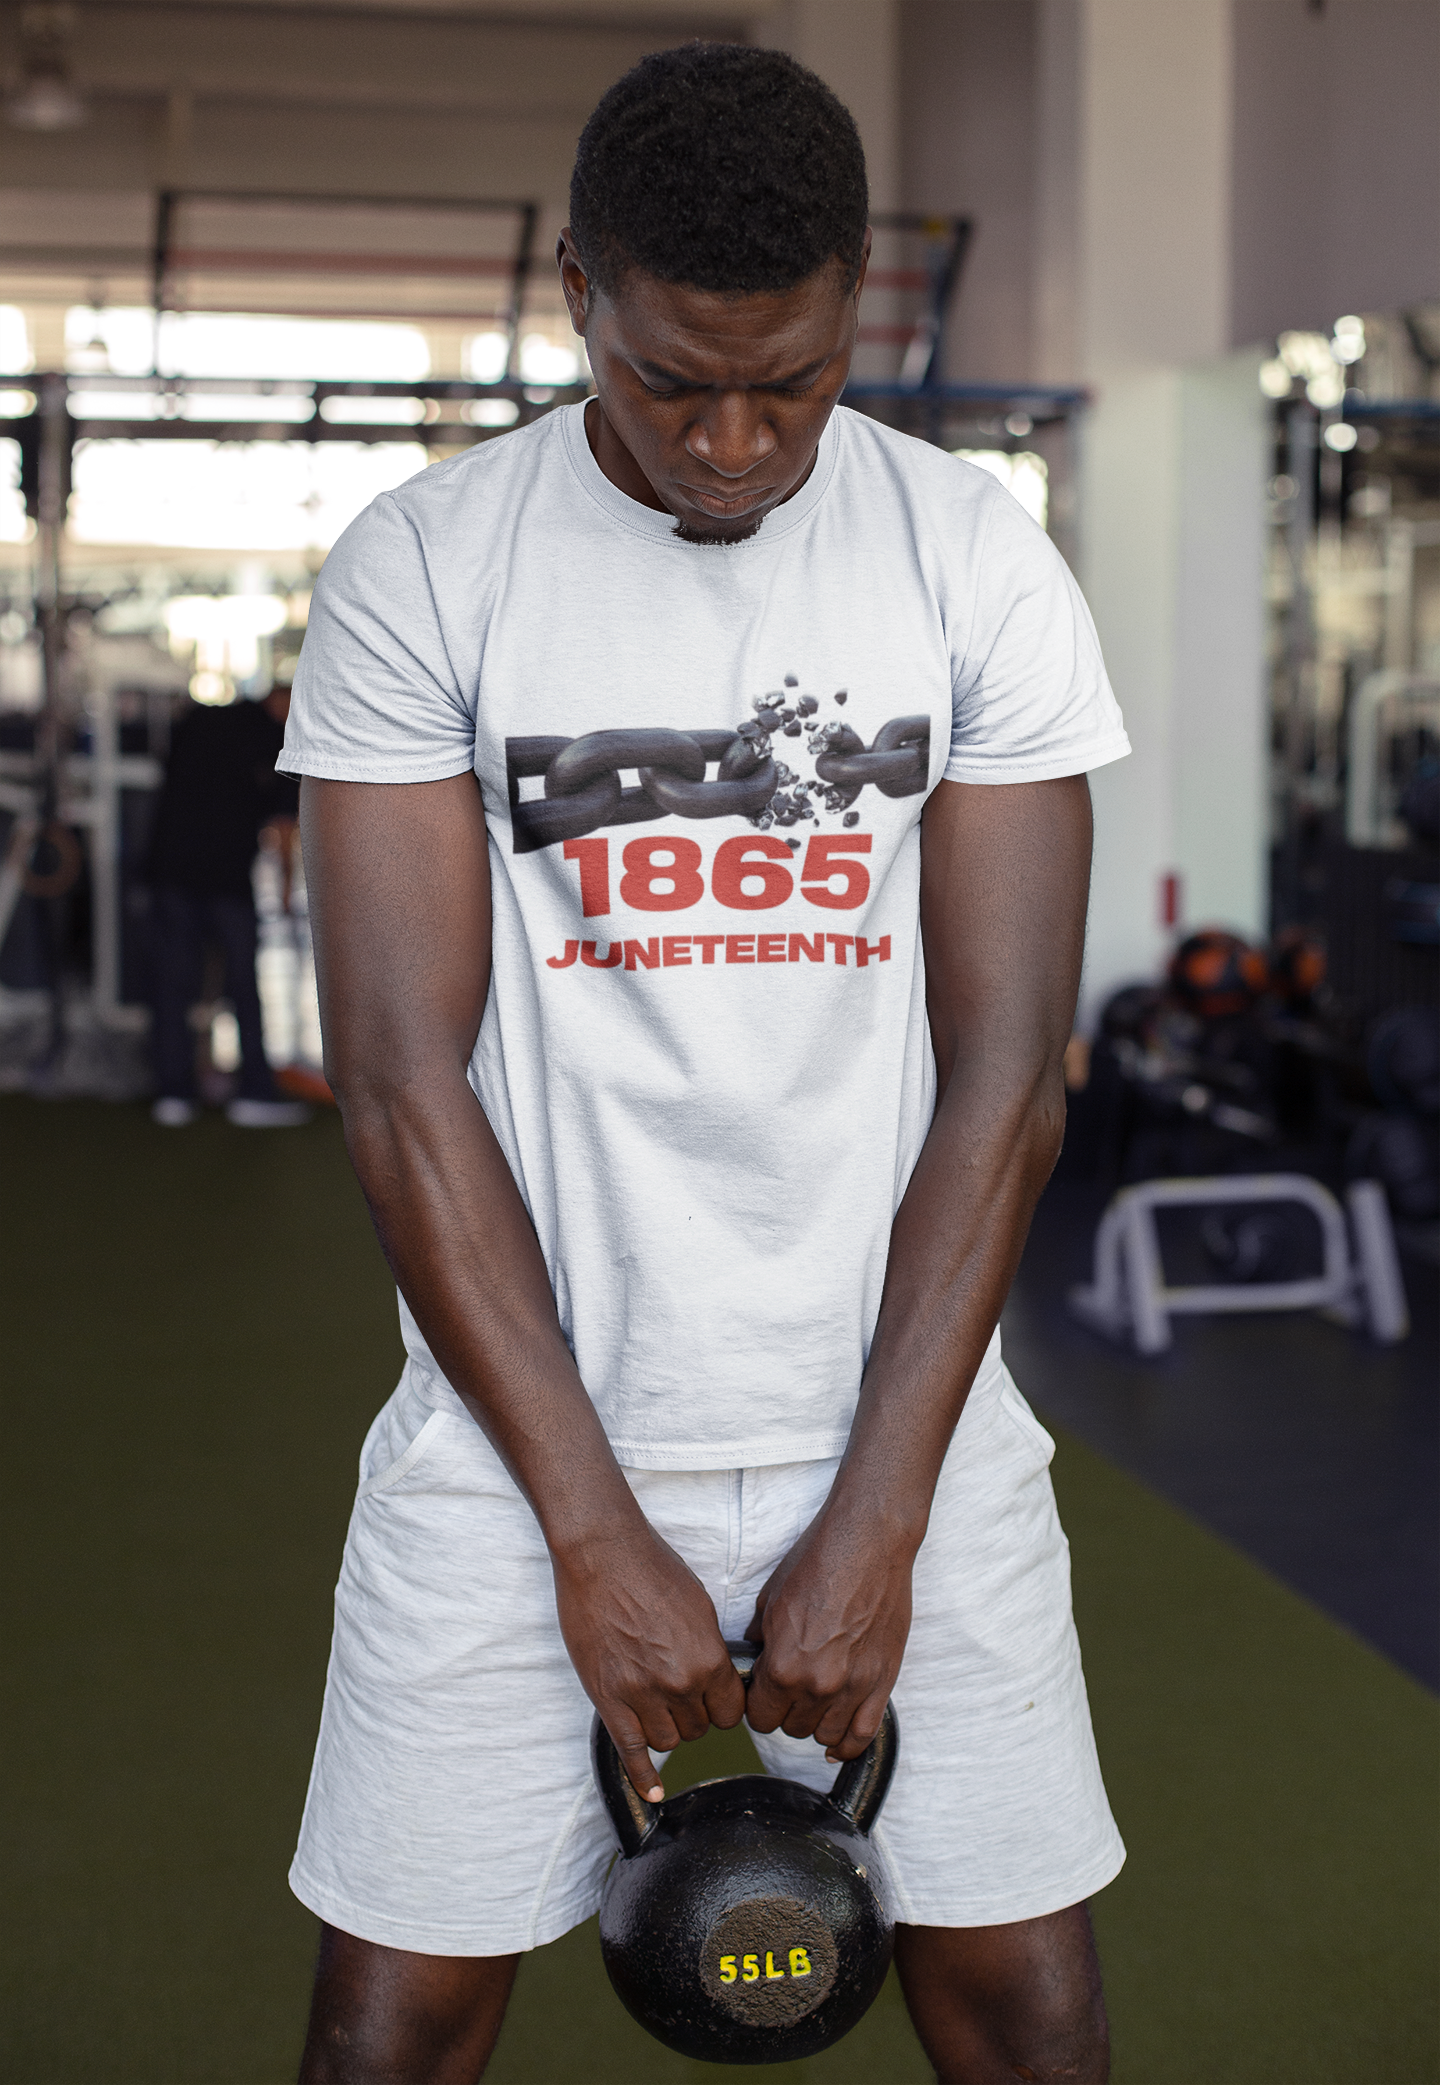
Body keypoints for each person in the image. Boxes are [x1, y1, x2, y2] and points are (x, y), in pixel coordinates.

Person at [283, 44, 1131, 2085]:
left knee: (1027, 2016)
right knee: (393, 2034)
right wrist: (590, 1530)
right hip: (518, 1445)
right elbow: (400, 1084)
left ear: (855, 310)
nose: (737, 442)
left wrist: (881, 1516)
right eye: (676, 384)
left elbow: (1009, 1078)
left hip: (905, 1425)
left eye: (797, 383)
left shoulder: (973, 559)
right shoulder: (429, 563)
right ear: (581, 290)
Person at [144, 682, 309, 1128]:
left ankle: (174, 1093)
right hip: (223, 878)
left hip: (172, 869)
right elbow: (282, 828)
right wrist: (287, 894)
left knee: (174, 984)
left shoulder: (200, 720)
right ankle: (252, 1091)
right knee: (240, 985)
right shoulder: (275, 739)